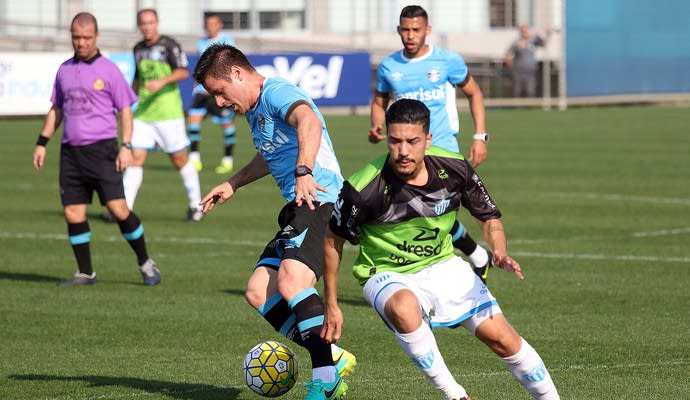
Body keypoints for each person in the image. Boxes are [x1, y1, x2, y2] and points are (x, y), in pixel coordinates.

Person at [322, 99, 560, 400]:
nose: (403, 151)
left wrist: (498, 250)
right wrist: (332, 303)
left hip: (443, 264)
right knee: (404, 308)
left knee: (504, 339)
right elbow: (333, 241)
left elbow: (488, 216)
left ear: (428, 140)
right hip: (384, 272)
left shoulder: (454, 167)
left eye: (412, 141)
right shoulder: (362, 188)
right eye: (395, 141)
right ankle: (455, 395)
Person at [194, 43, 355, 400]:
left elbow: (309, 121)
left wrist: (304, 170)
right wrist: (233, 183)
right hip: (300, 205)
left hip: (321, 198)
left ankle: (326, 379)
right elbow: (271, 154)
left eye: (219, 92)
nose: (219, 103)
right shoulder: (255, 111)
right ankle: (329, 354)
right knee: (258, 290)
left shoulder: (277, 92)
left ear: (237, 73)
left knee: (292, 281)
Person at [32, 12, 160, 287]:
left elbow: (125, 110)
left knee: (118, 209)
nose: (81, 43)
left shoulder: (109, 70)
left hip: (102, 150)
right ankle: (85, 273)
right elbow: (57, 109)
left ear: (96, 36)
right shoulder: (64, 69)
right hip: (71, 153)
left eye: (86, 38)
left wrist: (126, 145)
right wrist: (42, 142)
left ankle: (145, 262)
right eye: (76, 37)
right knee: (73, 213)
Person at [369, 5, 494, 283]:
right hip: (409, 151)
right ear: (398, 30)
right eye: (405, 29)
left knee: (431, 213)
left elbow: (474, 94)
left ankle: (459, 269)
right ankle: (477, 257)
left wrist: (480, 136)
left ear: (428, 30)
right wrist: (376, 125)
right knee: (427, 213)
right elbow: (379, 102)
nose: (410, 35)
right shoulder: (389, 66)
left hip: (443, 150)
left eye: (416, 29)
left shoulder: (448, 61)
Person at [125, 8, 204, 221]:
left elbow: (183, 71)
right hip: (143, 114)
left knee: (179, 160)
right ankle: (124, 210)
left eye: (150, 22)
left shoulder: (169, 45)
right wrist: (127, 99)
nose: (147, 27)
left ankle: (196, 206)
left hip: (168, 113)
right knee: (134, 159)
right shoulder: (138, 48)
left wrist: (161, 81)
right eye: (143, 23)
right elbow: (138, 77)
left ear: (157, 23)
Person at [187, 14, 238, 174]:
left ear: (220, 25)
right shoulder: (201, 42)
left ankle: (227, 161)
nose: (210, 27)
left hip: (220, 91)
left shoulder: (228, 41)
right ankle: (194, 159)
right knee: (193, 120)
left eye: (213, 24)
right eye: (207, 24)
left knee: (226, 124)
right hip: (203, 91)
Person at [504, 24, 550, 98]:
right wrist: (512, 68)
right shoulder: (516, 42)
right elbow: (508, 55)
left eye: (526, 30)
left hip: (531, 71)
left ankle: (530, 108)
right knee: (517, 91)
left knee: (530, 91)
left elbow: (543, 44)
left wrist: (547, 34)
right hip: (518, 71)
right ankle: (516, 107)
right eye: (523, 30)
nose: (525, 32)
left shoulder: (533, 40)